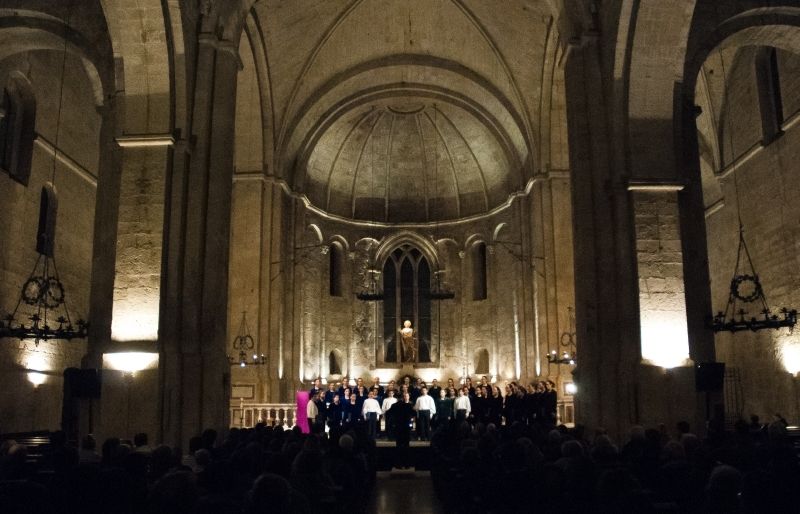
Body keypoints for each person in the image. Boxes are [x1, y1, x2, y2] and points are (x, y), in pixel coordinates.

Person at [389, 392, 415, 468]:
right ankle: (407, 464)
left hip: (398, 428)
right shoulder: (408, 405)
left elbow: (389, 414)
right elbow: (414, 414)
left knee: (398, 446)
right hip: (406, 428)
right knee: (406, 446)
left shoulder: (394, 405)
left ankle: (398, 464)